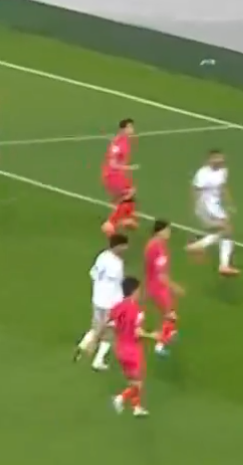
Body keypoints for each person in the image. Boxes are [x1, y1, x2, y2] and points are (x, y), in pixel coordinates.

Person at [76, 233, 130, 371]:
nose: (126, 248)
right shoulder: (116, 263)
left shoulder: (102, 256)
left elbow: (93, 274)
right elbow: (119, 282)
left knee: (96, 325)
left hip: (97, 299)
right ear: (118, 246)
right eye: (124, 245)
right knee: (110, 332)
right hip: (110, 302)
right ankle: (98, 360)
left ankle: (83, 344)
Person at [184, 149, 241, 276]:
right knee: (226, 229)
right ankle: (200, 246)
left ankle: (223, 264)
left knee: (226, 232)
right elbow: (195, 190)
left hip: (216, 206)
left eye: (221, 158)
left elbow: (223, 187)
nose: (220, 160)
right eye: (216, 158)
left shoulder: (223, 171)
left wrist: (229, 203)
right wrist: (197, 209)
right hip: (205, 207)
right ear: (209, 160)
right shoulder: (203, 174)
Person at [108, 277, 156, 416]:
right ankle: (120, 398)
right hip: (132, 350)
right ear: (134, 291)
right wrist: (152, 335)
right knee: (138, 383)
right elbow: (137, 332)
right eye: (139, 290)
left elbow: (110, 323)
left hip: (120, 349)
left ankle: (136, 408)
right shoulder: (136, 310)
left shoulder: (117, 306)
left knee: (132, 380)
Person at [146, 220, 185, 356]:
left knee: (169, 312)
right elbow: (161, 275)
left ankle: (170, 331)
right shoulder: (158, 248)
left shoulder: (152, 244)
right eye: (167, 230)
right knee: (170, 315)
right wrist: (175, 287)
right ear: (160, 231)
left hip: (153, 284)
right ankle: (160, 345)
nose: (169, 233)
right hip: (158, 287)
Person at [100, 118, 139, 235]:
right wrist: (129, 167)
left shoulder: (124, 140)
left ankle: (126, 219)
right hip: (113, 175)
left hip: (120, 174)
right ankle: (110, 223)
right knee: (128, 195)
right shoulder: (118, 144)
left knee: (128, 197)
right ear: (123, 129)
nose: (132, 129)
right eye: (130, 127)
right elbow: (112, 163)